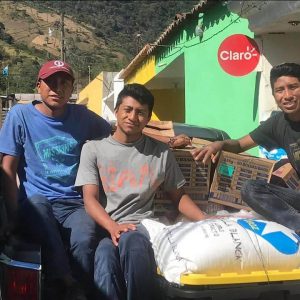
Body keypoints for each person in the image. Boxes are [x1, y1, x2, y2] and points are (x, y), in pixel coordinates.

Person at [75, 83, 208, 300]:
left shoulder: (160, 152)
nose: (132, 117)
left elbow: (179, 196)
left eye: (140, 113)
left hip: (143, 228)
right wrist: (113, 226)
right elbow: (89, 199)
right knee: (104, 257)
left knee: (132, 241)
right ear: (116, 111)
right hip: (106, 228)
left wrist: (206, 220)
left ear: (147, 119)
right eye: (127, 110)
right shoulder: (93, 149)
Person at [0, 60, 111, 300]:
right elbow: (8, 168)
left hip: (73, 204)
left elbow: (121, 131)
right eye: (50, 82)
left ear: (71, 89)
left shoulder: (83, 117)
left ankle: (79, 288)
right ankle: (67, 282)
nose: (57, 89)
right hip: (36, 201)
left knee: (84, 239)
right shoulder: (20, 115)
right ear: (39, 85)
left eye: (64, 83)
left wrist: (171, 136)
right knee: (39, 207)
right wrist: (11, 217)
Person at [192, 62, 300, 232]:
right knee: (251, 189)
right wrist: (218, 144)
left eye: (293, 87)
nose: (287, 95)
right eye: (280, 90)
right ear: (274, 95)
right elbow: (240, 144)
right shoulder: (278, 124)